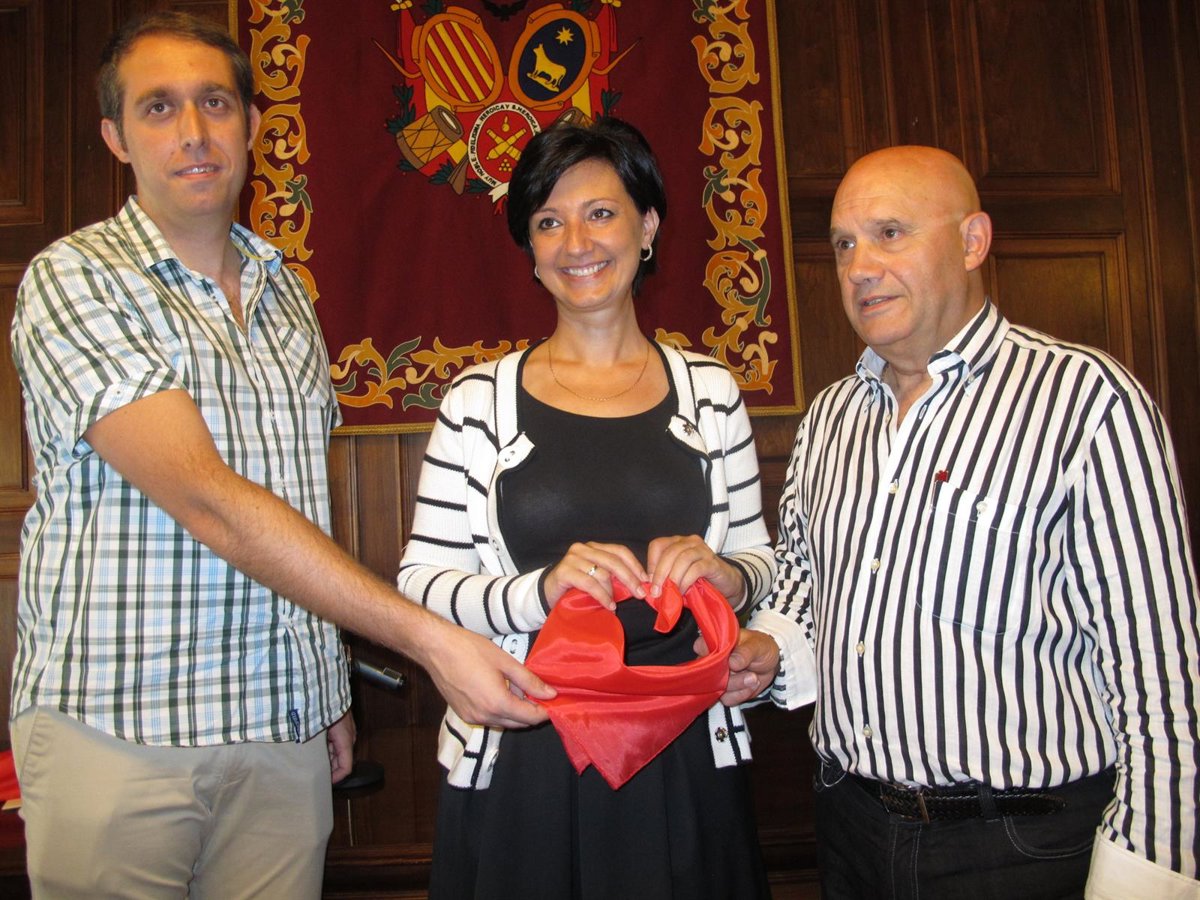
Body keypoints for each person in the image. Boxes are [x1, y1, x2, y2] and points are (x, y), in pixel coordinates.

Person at [8, 12, 551, 898]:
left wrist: (327, 690)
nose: (193, 132)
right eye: (158, 108)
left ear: (254, 125)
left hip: (281, 732)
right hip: (119, 731)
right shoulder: (75, 278)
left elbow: (295, 503)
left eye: (215, 103)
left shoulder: (286, 291)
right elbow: (210, 500)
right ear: (115, 138)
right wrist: (429, 640)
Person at [726, 145, 1200, 898]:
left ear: (973, 241)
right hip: (848, 825)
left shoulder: (1087, 402)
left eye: (889, 234)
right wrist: (771, 648)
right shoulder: (830, 417)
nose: (859, 267)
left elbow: (1162, 671)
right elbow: (804, 584)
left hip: (1017, 845)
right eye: (844, 244)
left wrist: (1150, 871)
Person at [396, 116, 778, 899]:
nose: (576, 242)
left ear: (648, 227)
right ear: (530, 250)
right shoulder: (476, 403)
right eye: (548, 222)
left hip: (683, 742)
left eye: (600, 213)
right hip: (525, 743)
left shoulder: (711, 392)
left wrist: (728, 576)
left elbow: (759, 562)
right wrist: (537, 591)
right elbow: (420, 583)